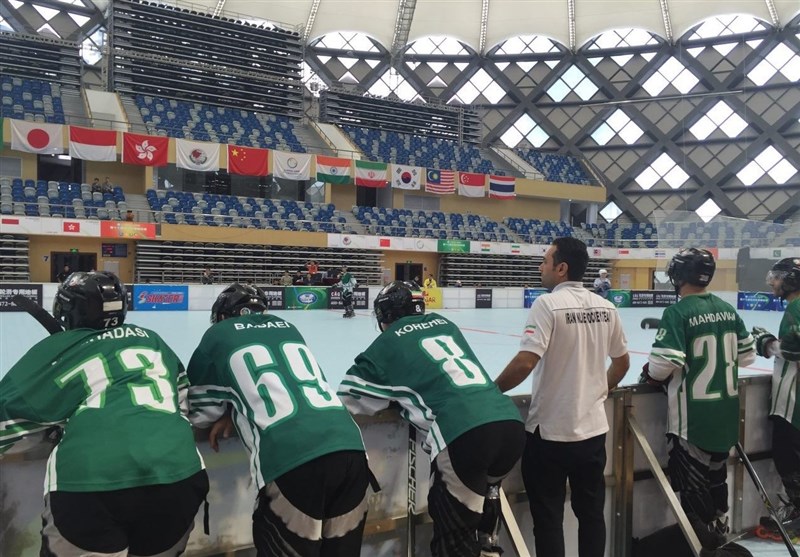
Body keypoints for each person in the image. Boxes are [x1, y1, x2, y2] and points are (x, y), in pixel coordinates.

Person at [0, 271, 208, 556]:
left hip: (90, 483)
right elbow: (183, 401)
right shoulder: (152, 339)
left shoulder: (58, 349)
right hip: (179, 476)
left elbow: (8, 412)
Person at [338, 281, 525, 557]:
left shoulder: (388, 341)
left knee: (453, 542)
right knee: (484, 515)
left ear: (384, 316)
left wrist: (395, 400)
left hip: (464, 432)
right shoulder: (445, 324)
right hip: (508, 422)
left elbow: (348, 397)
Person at [187, 283, 371, 556]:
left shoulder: (218, 334)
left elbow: (202, 413)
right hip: (351, 448)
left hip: (292, 458)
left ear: (223, 316)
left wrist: (230, 410)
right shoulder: (289, 328)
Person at [494, 237, 630, 557]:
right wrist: (599, 390)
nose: (540, 267)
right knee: (592, 515)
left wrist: (489, 391)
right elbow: (622, 363)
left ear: (561, 268)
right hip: (592, 433)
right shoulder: (606, 307)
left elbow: (525, 362)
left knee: (548, 519)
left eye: (545, 260)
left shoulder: (547, 305)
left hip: (550, 435)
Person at [642, 248, 756, 549]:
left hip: (692, 423)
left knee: (693, 492)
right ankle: (721, 534)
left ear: (678, 275)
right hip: (725, 418)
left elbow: (661, 366)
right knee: (717, 480)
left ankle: (705, 546)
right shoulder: (727, 309)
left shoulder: (678, 312)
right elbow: (748, 356)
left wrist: (650, 373)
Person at [751, 257, 800, 537]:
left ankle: (798, 513)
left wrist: (767, 343)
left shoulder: (796, 307)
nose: (773, 282)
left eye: (778, 277)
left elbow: (793, 351)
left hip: (794, 402)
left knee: (787, 456)